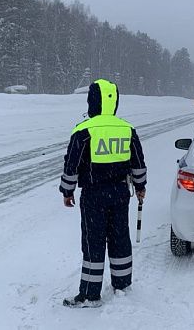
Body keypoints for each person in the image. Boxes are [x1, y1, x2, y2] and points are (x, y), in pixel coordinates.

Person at [60, 79, 147, 308]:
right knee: (119, 238)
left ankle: (90, 294)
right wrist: (140, 187)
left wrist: (67, 191)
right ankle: (122, 283)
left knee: (93, 242)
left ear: (92, 101)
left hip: (93, 195)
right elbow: (138, 162)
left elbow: (71, 165)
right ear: (114, 102)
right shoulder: (127, 129)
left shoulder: (84, 130)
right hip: (120, 193)